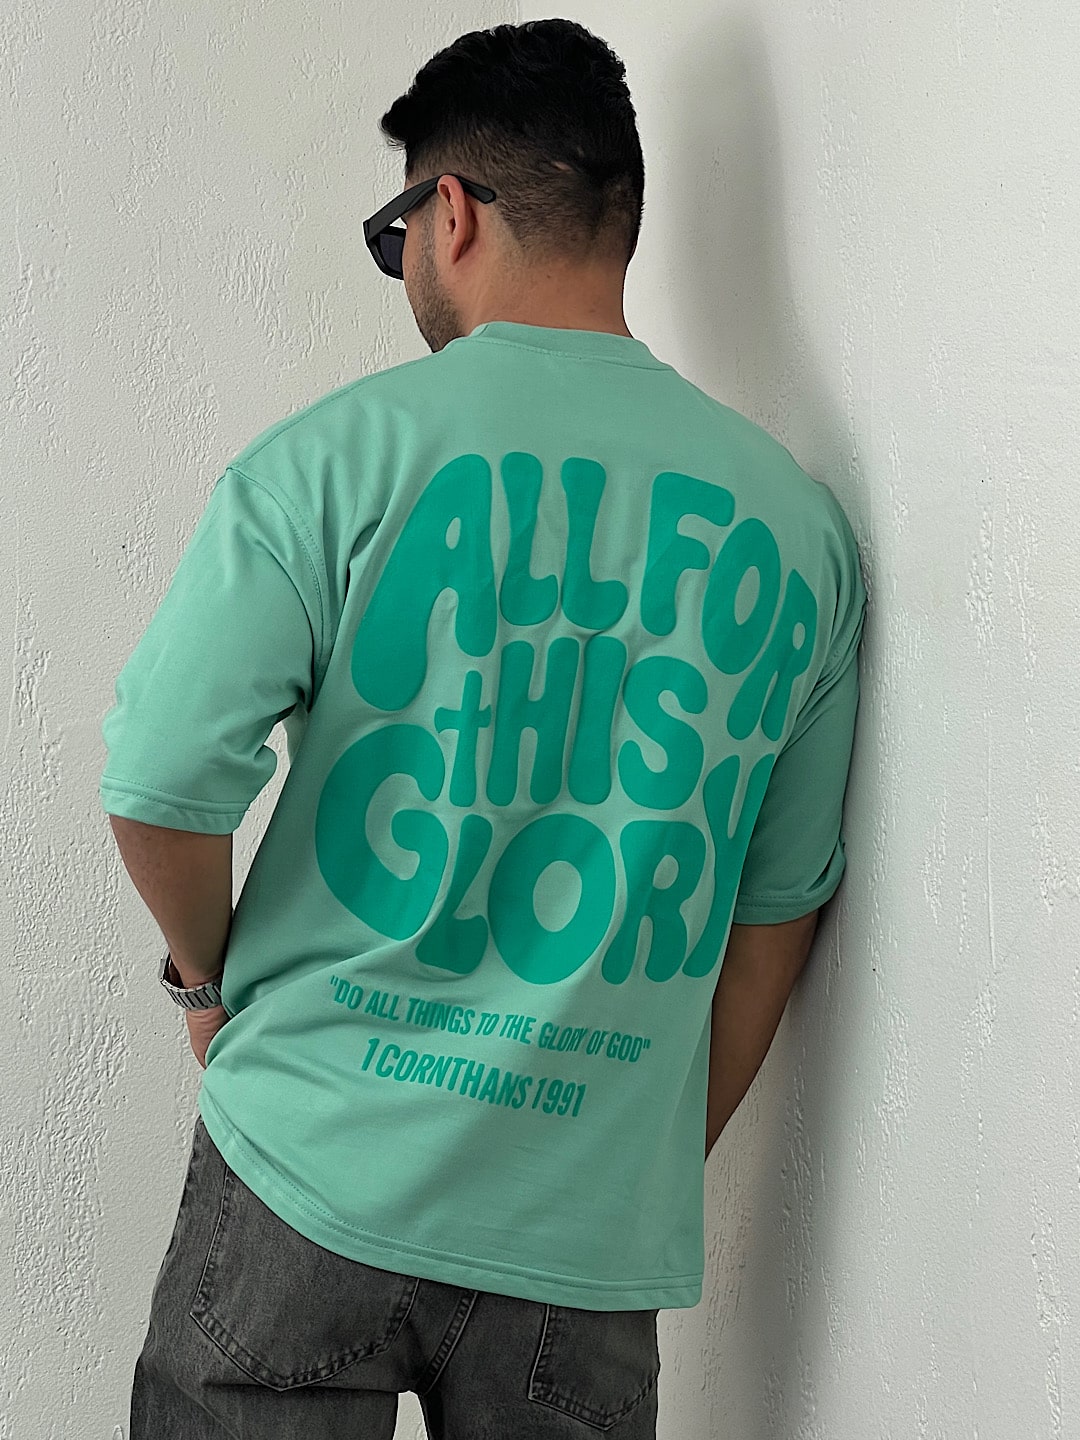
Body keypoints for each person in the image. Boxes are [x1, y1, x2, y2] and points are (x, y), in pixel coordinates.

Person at [102, 18, 866, 1440]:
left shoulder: (332, 463)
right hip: (583, 1230)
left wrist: (206, 989)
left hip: (313, 1161)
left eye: (396, 233)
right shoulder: (799, 533)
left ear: (448, 213)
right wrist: (629, 1151)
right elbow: (777, 911)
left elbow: (157, 782)